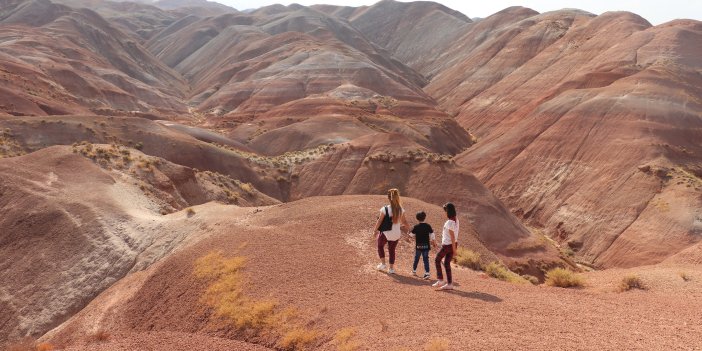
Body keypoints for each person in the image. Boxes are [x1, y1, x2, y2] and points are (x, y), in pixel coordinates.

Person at [372, 188, 408, 274]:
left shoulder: (385, 209)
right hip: (396, 234)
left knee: (380, 245)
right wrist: (408, 229)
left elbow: (379, 221)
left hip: (386, 233)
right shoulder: (401, 210)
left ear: (389, 198)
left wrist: (375, 230)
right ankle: (391, 269)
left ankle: (383, 264)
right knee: (392, 250)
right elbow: (404, 222)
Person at [433, 202, 459, 290]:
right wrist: (454, 248)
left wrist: (454, 250)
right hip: (453, 244)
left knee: (437, 260)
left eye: (445, 211)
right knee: (447, 263)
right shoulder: (456, 220)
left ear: (448, 212)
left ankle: (440, 280)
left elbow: (452, 236)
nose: (445, 213)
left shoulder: (449, 222)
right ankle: (450, 284)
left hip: (448, 245)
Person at [409, 211, 436, 279]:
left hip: (418, 246)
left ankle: (414, 271)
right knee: (425, 259)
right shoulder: (428, 226)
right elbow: (432, 234)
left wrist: (408, 232)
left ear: (417, 218)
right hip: (426, 246)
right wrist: (434, 242)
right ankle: (427, 273)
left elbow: (411, 235)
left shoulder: (416, 226)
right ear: (424, 217)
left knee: (416, 258)